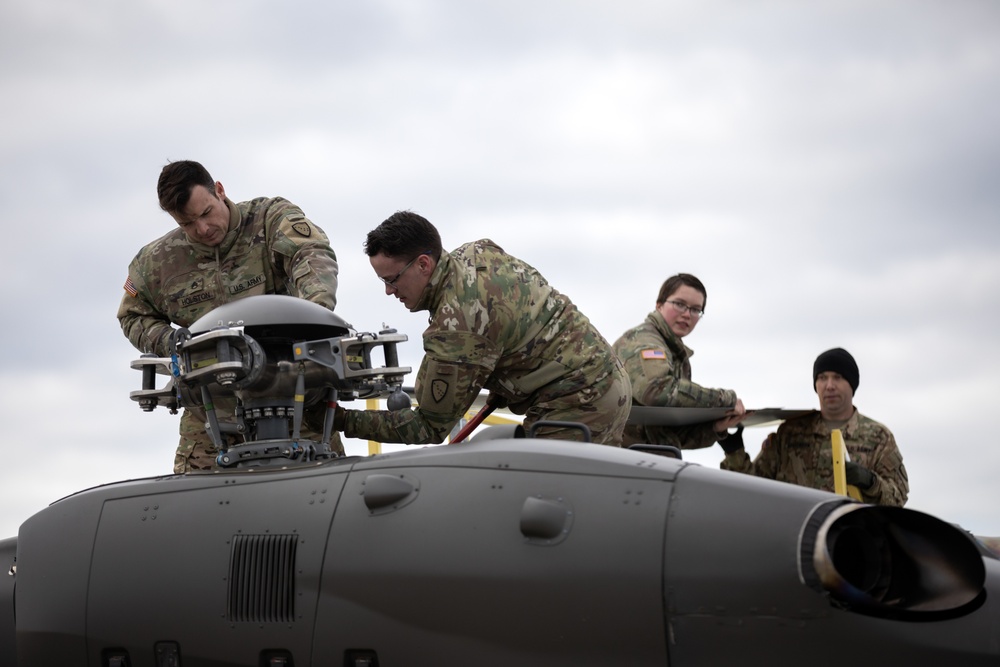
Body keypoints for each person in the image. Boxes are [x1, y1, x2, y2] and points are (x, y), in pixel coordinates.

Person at [117, 160, 342, 472]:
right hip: (209, 423)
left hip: (295, 411)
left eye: (206, 213)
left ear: (219, 191)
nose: (202, 229)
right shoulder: (156, 262)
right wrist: (174, 342)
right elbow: (132, 315)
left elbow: (312, 256)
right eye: (188, 224)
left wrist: (313, 317)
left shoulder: (269, 219)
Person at [334, 210, 631, 445]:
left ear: (424, 264)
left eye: (392, 279)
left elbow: (428, 427)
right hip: (607, 378)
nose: (389, 291)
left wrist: (342, 420)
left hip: (580, 403)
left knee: (535, 509)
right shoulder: (476, 253)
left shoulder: (456, 330)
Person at [720, 348, 908, 507]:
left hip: (849, 538)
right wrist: (734, 451)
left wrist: (869, 481)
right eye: (822, 378)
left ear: (852, 384)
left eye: (838, 377)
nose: (829, 386)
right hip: (794, 535)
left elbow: (898, 498)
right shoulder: (791, 432)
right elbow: (752, 489)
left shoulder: (877, 437)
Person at [612, 273, 745, 450]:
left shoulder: (675, 353)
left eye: (695, 309)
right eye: (680, 304)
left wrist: (715, 427)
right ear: (659, 305)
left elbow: (668, 434)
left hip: (651, 462)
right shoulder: (642, 341)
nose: (687, 314)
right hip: (622, 462)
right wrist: (724, 399)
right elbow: (657, 391)